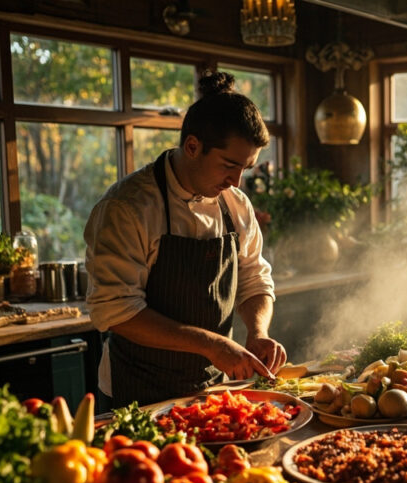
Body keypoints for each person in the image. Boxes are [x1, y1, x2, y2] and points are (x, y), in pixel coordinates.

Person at [84, 70, 286, 407]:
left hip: (213, 390)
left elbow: (253, 278)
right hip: (139, 391)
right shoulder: (128, 207)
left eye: (245, 169)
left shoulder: (235, 204)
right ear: (192, 146)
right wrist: (211, 344)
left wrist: (258, 331)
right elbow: (116, 310)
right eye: (228, 165)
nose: (236, 181)